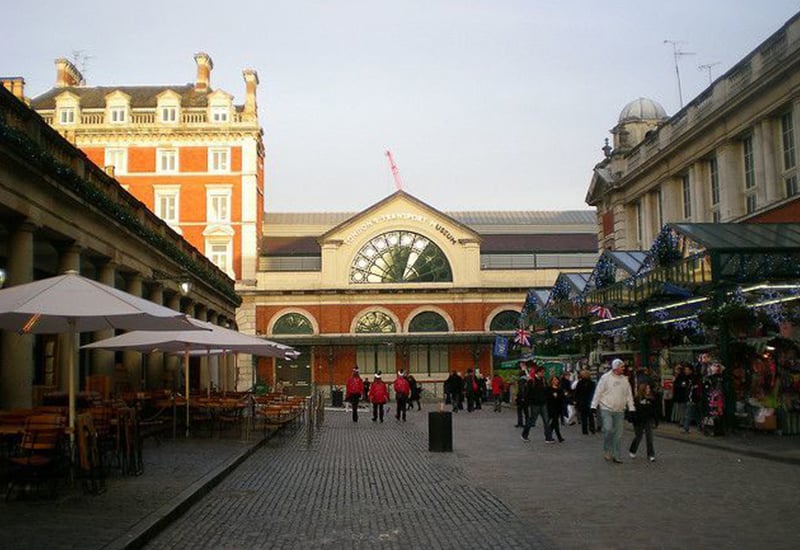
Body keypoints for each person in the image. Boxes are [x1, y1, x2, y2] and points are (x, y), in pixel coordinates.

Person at [591, 358, 635, 463]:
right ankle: (607, 449)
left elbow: (628, 394)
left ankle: (616, 454)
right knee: (608, 429)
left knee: (618, 434)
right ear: (616, 367)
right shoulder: (605, 378)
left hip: (620, 410)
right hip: (607, 408)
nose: (624, 369)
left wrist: (632, 408)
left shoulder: (625, 380)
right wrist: (593, 405)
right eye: (622, 367)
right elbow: (598, 391)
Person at [628, 382, 657, 461]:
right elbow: (633, 410)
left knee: (649, 437)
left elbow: (654, 411)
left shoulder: (652, 399)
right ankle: (632, 450)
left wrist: (655, 421)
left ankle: (651, 454)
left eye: (649, 388)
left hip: (648, 420)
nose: (648, 390)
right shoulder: (637, 399)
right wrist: (633, 419)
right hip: (638, 420)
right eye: (647, 388)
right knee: (638, 436)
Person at [520, 367, 547, 442]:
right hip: (535, 404)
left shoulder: (544, 380)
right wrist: (527, 402)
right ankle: (524, 435)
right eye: (542, 372)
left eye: (544, 372)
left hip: (543, 403)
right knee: (532, 421)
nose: (543, 374)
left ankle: (548, 437)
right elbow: (528, 393)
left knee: (546, 420)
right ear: (537, 372)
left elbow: (546, 391)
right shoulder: (532, 381)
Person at [574, 369, 596, 435]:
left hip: (582, 402)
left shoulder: (579, 383)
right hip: (589, 401)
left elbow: (577, 393)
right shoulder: (592, 383)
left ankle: (584, 430)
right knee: (590, 415)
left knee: (583, 417)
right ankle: (592, 428)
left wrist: (576, 401)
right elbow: (594, 393)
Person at [545, 376, 566, 443]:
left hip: (558, 408)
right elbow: (547, 397)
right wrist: (553, 396)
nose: (556, 381)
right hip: (551, 408)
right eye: (554, 380)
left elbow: (562, 398)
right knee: (554, 422)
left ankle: (552, 436)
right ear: (551, 381)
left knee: (555, 423)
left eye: (556, 379)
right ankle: (551, 436)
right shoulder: (548, 389)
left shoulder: (560, 389)